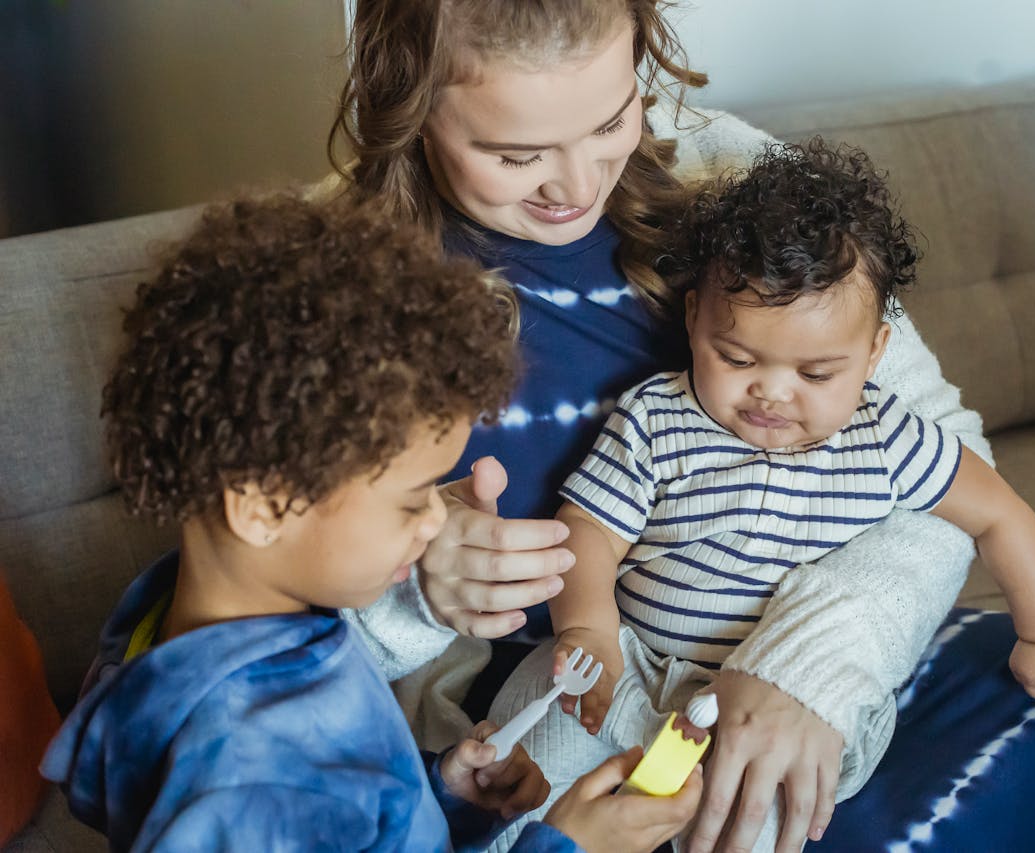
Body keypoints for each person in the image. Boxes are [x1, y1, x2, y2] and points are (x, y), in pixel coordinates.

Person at [332, 1, 1035, 850]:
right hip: (565, 713)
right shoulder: (328, 294)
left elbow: (947, 458)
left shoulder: (730, 173)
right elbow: (253, 624)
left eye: (610, 119)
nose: (578, 184)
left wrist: (810, 663)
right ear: (402, 102)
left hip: (803, 641)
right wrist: (412, 583)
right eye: (516, 153)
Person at [40, 194, 701, 852]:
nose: (434, 520)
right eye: (414, 499)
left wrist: (437, 792)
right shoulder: (249, 774)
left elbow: (337, 814)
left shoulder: (190, 632)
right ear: (265, 505)